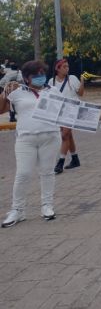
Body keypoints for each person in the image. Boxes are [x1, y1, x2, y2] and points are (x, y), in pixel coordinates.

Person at [0, 61, 59, 227]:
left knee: (47, 172)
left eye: (42, 74)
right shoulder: (17, 92)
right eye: (36, 75)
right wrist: (5, 92)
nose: (41, 77)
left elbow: (65, 111)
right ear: (26, 78)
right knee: (23, 173)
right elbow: (1, 109)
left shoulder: (53, 91)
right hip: (26, 139)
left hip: (50, 136)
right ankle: (17, 210)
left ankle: (47, 206)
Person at [49, 59, 85, 175]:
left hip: (72, 110)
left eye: (68, 66)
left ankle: (60, 162)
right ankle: (75, 159)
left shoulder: (73, 79)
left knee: (64, 135)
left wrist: (82, 82)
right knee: (68, 135)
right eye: (64, 67)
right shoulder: (51, 81)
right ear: (57, 68)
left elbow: (80, 94)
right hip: (59, 112)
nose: (67, 69)